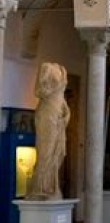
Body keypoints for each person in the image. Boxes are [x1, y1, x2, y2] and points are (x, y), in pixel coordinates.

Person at [28, 62, 70, 200]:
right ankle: (39, 188)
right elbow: (38, 92)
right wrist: (53, 90)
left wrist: (67, 112)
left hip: (59, 115)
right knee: (46, 153)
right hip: (47, 113)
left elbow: (61, 97)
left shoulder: (63, 69)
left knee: (59, 153)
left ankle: (51, 186)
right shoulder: (46, 67)